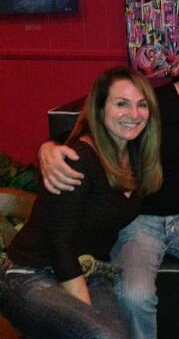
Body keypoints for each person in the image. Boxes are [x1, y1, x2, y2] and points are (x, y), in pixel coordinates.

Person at [38, 37, 179, 339]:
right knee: (135, 295)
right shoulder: (150, 106)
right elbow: (88, 130)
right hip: (138, 220)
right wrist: (48, 149)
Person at [0, 67, 162, 338]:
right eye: (122, 103)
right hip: (28, 273)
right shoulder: (78, 159)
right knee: (102, 335)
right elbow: (59, 242)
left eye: (142, 104)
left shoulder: (136, 156)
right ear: (99, 110)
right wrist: (86, 316)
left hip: (90, 270)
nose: (134, 114)